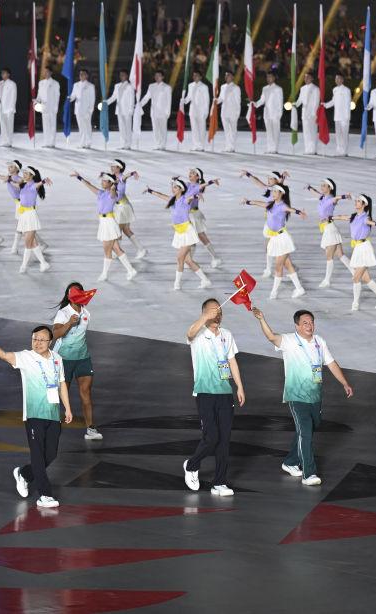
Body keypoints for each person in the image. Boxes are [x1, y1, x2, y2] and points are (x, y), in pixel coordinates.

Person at [251, 308, 352, 486]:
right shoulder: (289, 340)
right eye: (305, 323)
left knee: (309, 429)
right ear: (297, 326)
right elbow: (272, 337)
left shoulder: (319, 341)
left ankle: (290, 462)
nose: (309, 325)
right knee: (305, 432)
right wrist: (261, 319)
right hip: (296, 395)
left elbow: (331, 363)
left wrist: (344, 382)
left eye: (311, 322)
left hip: (315, 395)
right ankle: (309, 473)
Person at [0, 326, 73, 509]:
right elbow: (4, 355)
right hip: (34, 414)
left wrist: (67, 408)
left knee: (50, 455)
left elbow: (61, 383)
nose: (37, 343)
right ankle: (45, 495)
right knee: (37, 454)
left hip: (53, 414)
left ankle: (24, 474)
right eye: (34, 339)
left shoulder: (57, 359)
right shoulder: (26, 357)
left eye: (42, 340)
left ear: (50, 342)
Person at [183, 298, 245, 496]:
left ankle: (219, 483)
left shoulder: (227, 335)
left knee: (224, 440)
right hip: (205, 393)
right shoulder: (198, 335)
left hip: (225, 394)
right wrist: (204, 318)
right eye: (212, 311)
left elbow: (232, 361)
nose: (217, 315)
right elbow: (189, 333)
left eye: (219, 312)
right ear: (204, 313)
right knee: (211, 437)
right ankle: (191, 465)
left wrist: (239, 386)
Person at [52, 282, 102, 440]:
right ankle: (51, 425)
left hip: (82, 358)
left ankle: (91, 429)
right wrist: (69, 323)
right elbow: (55, 334)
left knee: (86, 393)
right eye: (71, 293)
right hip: (63, 359)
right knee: (61, 394)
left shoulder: (86, 313)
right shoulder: (63, 313)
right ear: (69, 296)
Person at [145, 178, 213, 290]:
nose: (173, 189)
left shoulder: (185, 199)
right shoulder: (172, 200)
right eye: (173, 187)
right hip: (179, 232)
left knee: (180, 258)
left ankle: (176, 284)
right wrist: (150, 191)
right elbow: (160, 195)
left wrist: (197, 196)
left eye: (176, 187)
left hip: (187, 231)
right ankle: (205, 280)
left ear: (181, 189)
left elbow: (192, 197)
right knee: (188, 261)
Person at [244, 184, 308, 300]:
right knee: (287, 264)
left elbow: (291, 209)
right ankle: (299, 288)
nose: (273, 193)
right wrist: (248, 202)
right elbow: (259, 203)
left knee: (278, 267)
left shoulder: (282, 206)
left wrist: (299, 212)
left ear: (281, 193)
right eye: (273, 191)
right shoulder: (271, 204)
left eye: (276, 191)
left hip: (282, 238)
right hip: (275, 238)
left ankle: (274, 292)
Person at [71, 169, 137, 281]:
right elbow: (89, 185)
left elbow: (113, 193)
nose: (102, 182)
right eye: (102, 180)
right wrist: (79, 177)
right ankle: (131, 270)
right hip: (103, 222)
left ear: (110, 183)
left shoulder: (114, 193)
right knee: (116, 248)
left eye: (104, 181)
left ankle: (104, 274)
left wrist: (114, 186)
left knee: (107, 250)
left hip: (109, 223)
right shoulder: (101, 193)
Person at [332, 195, 376, 310]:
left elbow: (371, 222)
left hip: (364, 249)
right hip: (358, 248)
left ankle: (355, 304)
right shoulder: (354, 216)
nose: (356, 202)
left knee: (356, 278)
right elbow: (343, 217)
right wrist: (331, 217)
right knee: (366, 278)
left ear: (364, 204)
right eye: (356, 201)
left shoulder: (365, 217)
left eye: (359, 201)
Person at [243, 169, 290, 278]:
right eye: (268, 178)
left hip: (277, 224)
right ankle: (271, 268)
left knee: (276, 247)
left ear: (276, 180)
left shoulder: (279, 191)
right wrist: (248, 174)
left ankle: (284, 268)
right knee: (271, 247)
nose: (268, 180)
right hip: (270, 222)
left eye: (270, 178)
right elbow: (258, 181)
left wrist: (282, 178)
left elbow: (280, 185)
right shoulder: (269, 189)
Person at [306, 178, 352, 288]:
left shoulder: (331, 198)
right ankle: (355, 272)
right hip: (328, 228)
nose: (321, 187)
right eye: (321, 185)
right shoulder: (323, 197)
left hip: (330, 229)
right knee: (340, 255)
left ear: (330, 188)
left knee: (329, 256)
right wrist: (309, 187)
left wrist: (345, 196)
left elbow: (336, 198)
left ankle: (327, 280)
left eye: (324, 185)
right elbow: (316, 193)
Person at [8, 166, 52, 273]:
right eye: (24, 173)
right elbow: (13, 183)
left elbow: (39, 184)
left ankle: (23, 266)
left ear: (32, 176)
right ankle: (43, 263)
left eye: (26, 174)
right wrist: (8, 180)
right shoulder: (22, 185)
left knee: (28, 243)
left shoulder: (33, 185)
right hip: (23, 215)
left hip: (30, 215)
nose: (24, 175)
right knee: (32, 242)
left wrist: (44, 181)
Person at [181, 167, 223, 267]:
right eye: (190, 172)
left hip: (194, 215)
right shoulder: (187, 185)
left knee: (201, 236)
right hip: (187, 215)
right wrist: (174, 181)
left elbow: (203, 186)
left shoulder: (198, 186)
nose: (190, 174)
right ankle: (190, 260)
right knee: (192, 237)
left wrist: (211, 182)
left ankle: (215, 258)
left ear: (197, 177)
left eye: (193, 173)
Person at [110, 159, 146, 259]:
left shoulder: (121, 177)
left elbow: (126, 176)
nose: (111, 167)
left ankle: (117, 251)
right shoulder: (114, 177)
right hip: (121, 206)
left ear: (119, 168)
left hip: (123, 207)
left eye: (114, 166)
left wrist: (133, 173)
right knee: (126, 230)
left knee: (118, 230)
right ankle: (141, 249)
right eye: (111, 166)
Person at [138, 69, 172, 150]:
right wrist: (139, 105)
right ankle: (157, 144)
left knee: (163, 129)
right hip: (154, 112)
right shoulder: (151, 86)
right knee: (155, 129)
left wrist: (168, 112)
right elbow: (146, 97)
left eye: (159, 76)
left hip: (163, 112)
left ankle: (162, 145)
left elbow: (169, 101)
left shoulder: (167, 87)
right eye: (156, 76)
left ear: (162, 77)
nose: (157, 77)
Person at [105, 69, 136, 150]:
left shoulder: (130, 86)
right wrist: (106, 103)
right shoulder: (117, 86)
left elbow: (132, 99)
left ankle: (128, 144)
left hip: (127, 110)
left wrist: (131, 110)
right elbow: (113, 97)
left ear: (127, 76)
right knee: (121, 128)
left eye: (123, 75)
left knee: (128, 128)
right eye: (120, 75)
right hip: (119, 110)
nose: (121, 76)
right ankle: (123, 144)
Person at [254, 72, 284, 153]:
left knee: (275, 132)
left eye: (270, 77)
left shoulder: (278, 89)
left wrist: (279, 114)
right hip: (267, 113)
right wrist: (255, 104)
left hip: (275, 114)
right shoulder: (265, 88)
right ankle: (270, 148)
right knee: (269, 132)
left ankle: (275, 149)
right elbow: (262, 100)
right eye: (267, 77)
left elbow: (280, 102)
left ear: (274, 78)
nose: (268, 78)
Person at [293, 73, 321, 155]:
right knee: (306, 132)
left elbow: (316, 102)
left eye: (308, 77)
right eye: (305, 77)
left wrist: (314, 113)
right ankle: (307, 149)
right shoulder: (302, 88)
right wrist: (295, 104)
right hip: (304, 113)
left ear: (312, 78)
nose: (306, 79)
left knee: (312, 131)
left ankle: (313, 149)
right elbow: (300, 100)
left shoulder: (316, 89)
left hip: (312, 113)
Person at [182, 70, 210, 151]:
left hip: (201, 110)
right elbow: (189, 97)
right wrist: (184, 101)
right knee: (194, 128)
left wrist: (206, 111)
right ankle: (195, 144)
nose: (195, 77)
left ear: (200, 77)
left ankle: (201, 145)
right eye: (194, 75)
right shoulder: (190, 85)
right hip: (193, 110)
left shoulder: (204, 87)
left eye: (197, 75)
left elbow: (207, 100)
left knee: (201, 128)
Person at [69, 69, 96, 149]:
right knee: (81, 127)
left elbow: (92, 99)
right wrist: (70, 98)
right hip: (78, 109)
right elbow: (73, 95)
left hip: (86, 110)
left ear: (87, 75)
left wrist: (90, 110)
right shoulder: (76, 85)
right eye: (80, 74)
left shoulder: (90, 86)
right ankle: (82, 143)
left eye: (83, 74)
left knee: (87, 126)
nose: (81, 75)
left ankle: (88, 142)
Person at [35, 67, 61, 148]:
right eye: (44, 72)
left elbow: (57, 96)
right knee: (45, 125)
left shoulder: (55, 83)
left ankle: (52, 142)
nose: (45, 73)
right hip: (44, 106)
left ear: (51, 73)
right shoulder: (41, 83)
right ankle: (46, 142)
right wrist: (36, 101)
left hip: (52, 106)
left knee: (52, 125)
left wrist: (56, 107)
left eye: (47, 72)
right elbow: (39, 95)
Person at [0, 68, 18, 147]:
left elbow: (14, 97)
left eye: (4, 73)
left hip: (9, 108)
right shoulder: (0, 83)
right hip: (2, 107)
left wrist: (12, 108)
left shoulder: (12, 84)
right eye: (2, 73)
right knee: (3, 125)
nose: (2, 74)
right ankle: (4, 141)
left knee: (9, 125)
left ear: (8, 74)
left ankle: (9, 142)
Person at [217, 70, 242, 152]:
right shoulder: (223, 87)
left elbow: (238, 101)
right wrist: (216, 101)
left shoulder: (236, 88)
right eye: (226, 75)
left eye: (228, 75)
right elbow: (221, 98)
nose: (227, 77)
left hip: (233, 112)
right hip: (224, 111)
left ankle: (232, 146)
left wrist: (237, 113)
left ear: (232, 77)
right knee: (226, 130)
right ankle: (228, 146)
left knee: (233, 130)